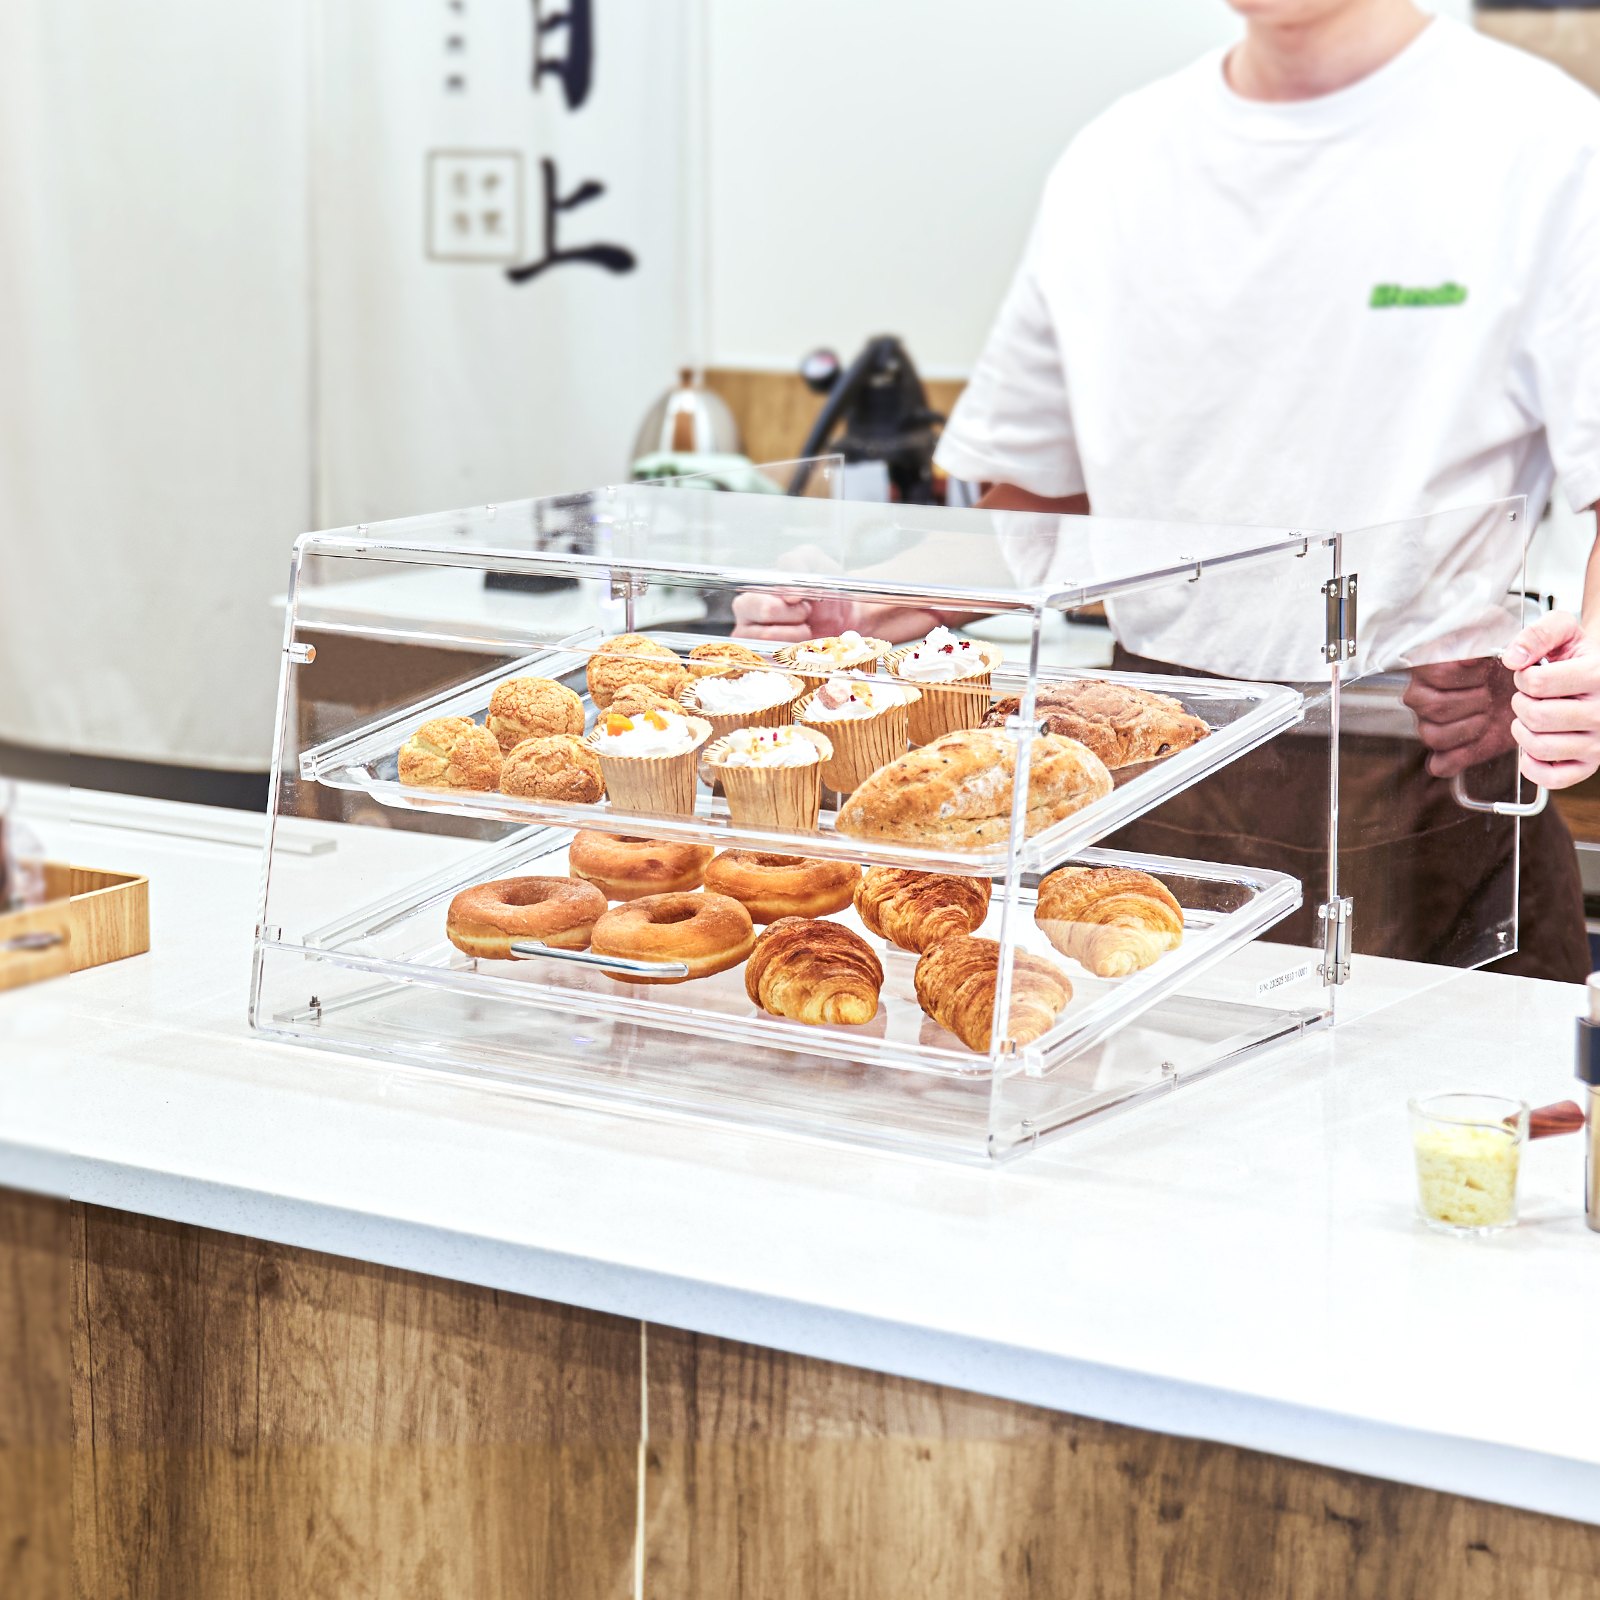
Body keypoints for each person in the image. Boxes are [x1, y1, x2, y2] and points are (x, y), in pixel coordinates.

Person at [736, 0, 1600, 980]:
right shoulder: (1120, 162)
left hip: (1424, 783)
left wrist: (1584, 663)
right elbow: (1043, 501)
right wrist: (862, 612)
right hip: (1145, 770)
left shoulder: (1544, 145)